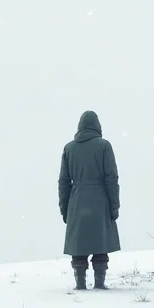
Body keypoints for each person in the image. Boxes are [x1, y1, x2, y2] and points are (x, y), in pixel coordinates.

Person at [58, 110, 121, 290]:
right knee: (100, 242)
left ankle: (80, 283)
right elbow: (112, 178)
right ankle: (100, 283)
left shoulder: (69, 148)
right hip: (101, 200)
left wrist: (64, 208)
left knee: (79, 245)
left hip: (76, 201)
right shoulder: (104, 146)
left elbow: (63, 182)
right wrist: (114, 206)